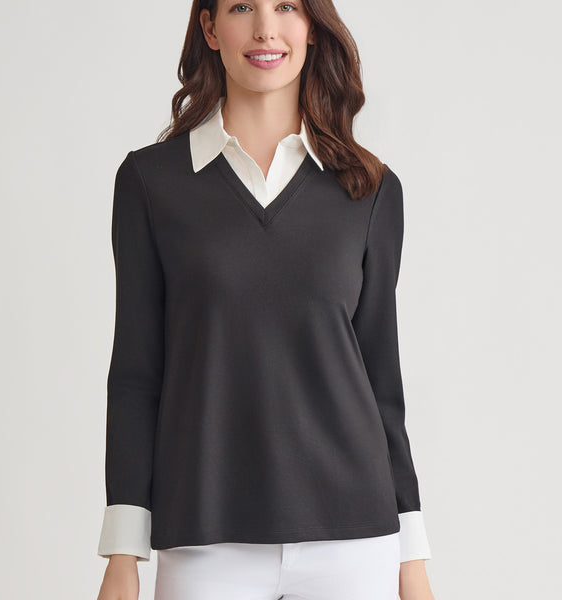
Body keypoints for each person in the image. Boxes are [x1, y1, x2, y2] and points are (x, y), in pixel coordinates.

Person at [96, 1, 436, 599]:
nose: (265, 29)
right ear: (210, 27)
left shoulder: (370, 190)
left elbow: (382, 380)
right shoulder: (152, 183)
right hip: (205, 534)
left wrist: (412, 558)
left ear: (311, 27)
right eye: (241, 7)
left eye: (285, 6)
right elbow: (135, 375)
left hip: (354, 538)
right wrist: (123, 551)